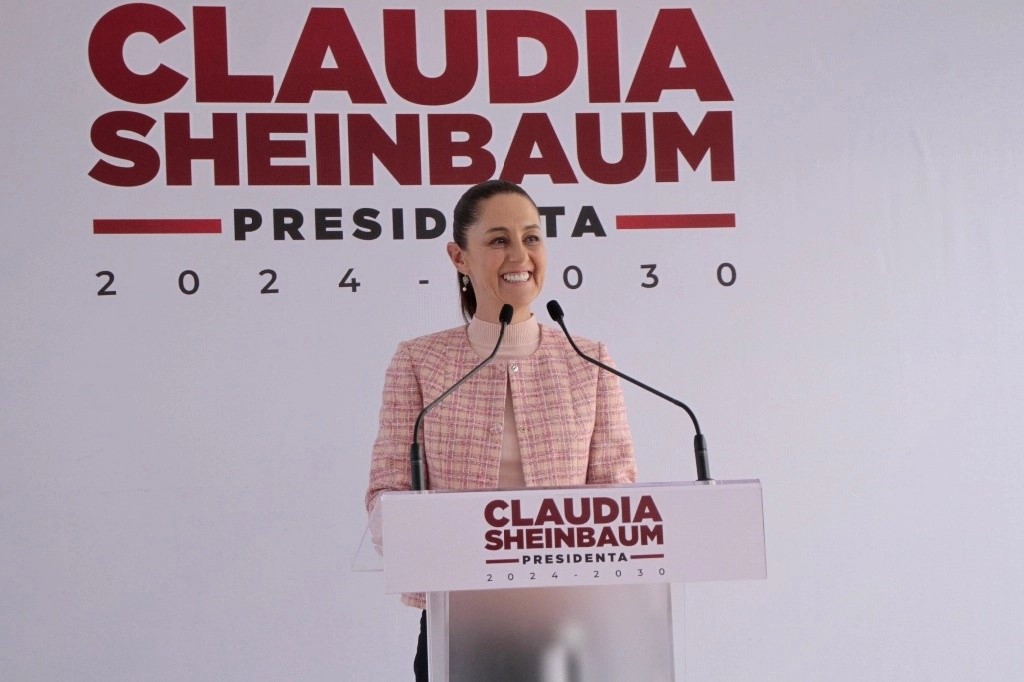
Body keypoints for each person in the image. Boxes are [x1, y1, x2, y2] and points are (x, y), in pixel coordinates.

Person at [364, 179, 636, 680]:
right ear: (458, 257)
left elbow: (616, 494)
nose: (520, 254)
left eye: (532, 237)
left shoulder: (589, 360)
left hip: (566, 622)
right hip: (455, 618)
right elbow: (386, 493)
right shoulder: (420, 362)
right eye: (498, 240)